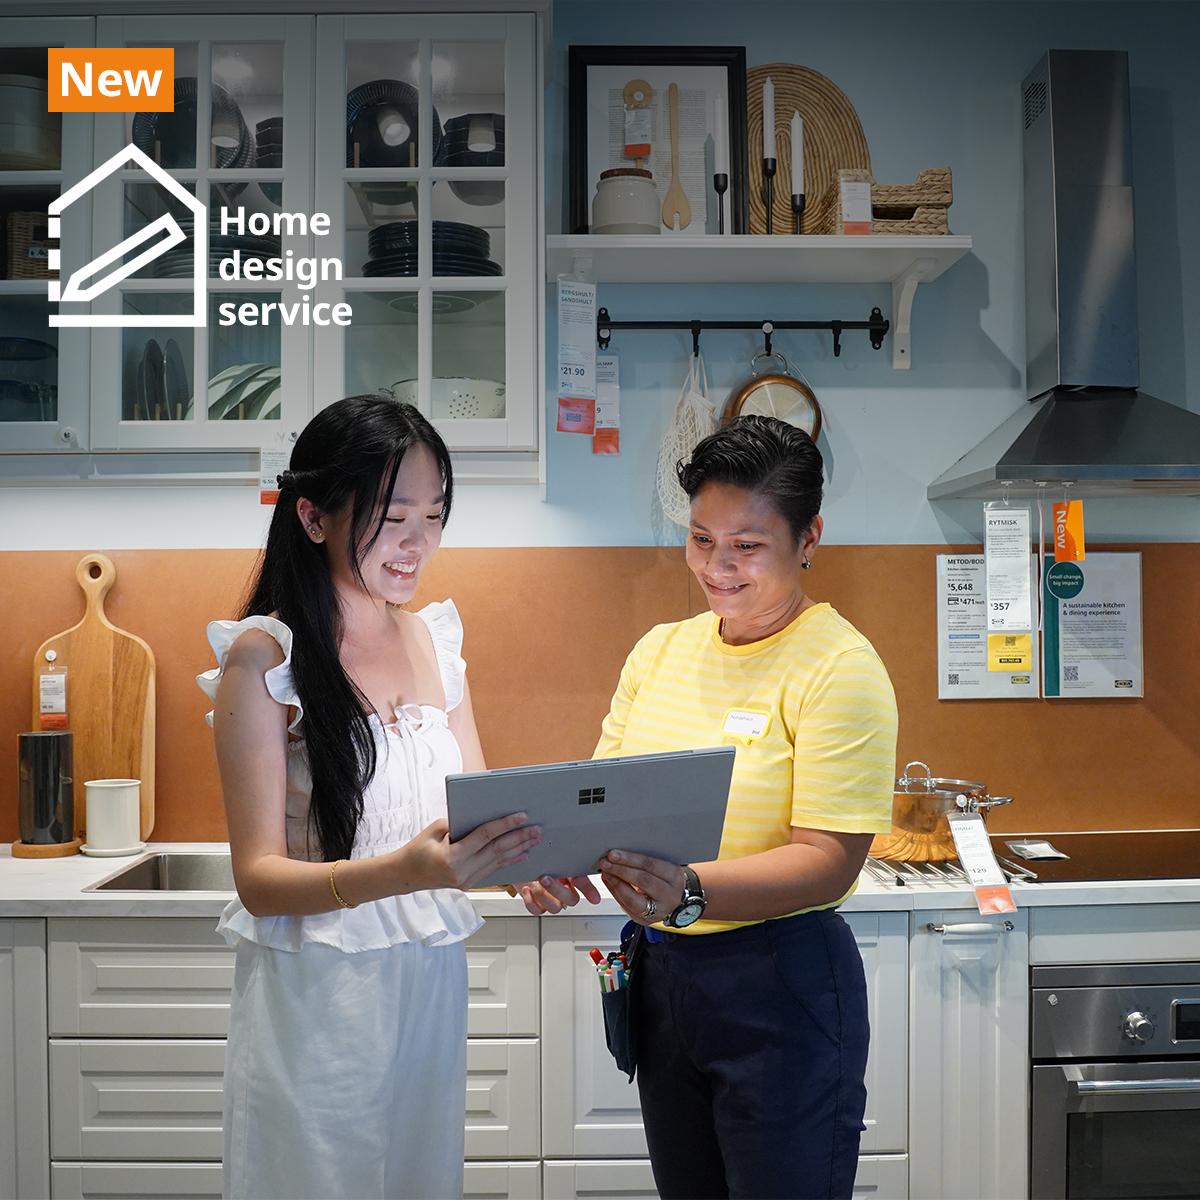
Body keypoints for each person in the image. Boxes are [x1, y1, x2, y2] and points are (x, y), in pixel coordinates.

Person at [521, 416, 899, 1200]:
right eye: (701, 539)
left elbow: (831, 861)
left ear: (808, 539)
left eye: (747, 545)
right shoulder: (661, 649)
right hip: (665, 977)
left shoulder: (840, 666)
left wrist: (691, 891)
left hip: (781, 985)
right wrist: (547, 858)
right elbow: (599, 797)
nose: (717, 567)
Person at [196, 395, 541, 1200]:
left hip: (427, 985)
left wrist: (530, 860)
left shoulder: (434, 641)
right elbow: (258, 880)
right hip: (316, 1001)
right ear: (314, 517)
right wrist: (408, 872)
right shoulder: (264, 660)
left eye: (435, 513)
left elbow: (469, 818)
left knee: (418, 1178)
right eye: (392, 515)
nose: (418, 541)